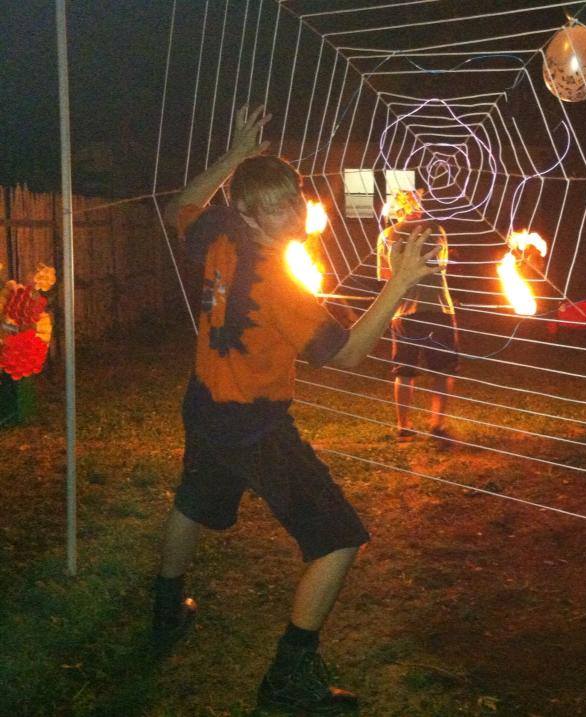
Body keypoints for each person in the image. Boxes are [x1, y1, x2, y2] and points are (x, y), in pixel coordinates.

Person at [154, 105, 439, 713]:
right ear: (253, 214)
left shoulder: (216, 235)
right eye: (279, 205)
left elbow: (183, 200)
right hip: (253, 426)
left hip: (204, 404)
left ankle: (165, 608)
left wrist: (235, 154)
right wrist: (401, 284)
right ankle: (289, 675)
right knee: (337, 539)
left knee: (193, 500)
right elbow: (350, 357)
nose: (295, 211)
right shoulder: (282, 286)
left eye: (296, 196)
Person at [376, 208, 459, 447]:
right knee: (443, 371)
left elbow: (384, 275)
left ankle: (404, 427)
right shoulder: (436, 230)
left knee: (404, 371)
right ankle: (437, 425)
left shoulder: (387, 235)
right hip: (438, 309)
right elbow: (440, 265)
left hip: (403, 312)